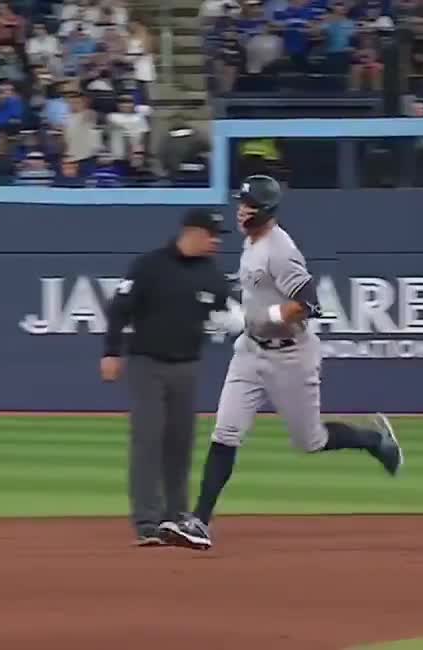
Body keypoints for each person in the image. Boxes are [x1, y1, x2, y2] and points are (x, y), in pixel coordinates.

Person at [158, 175, 404, 551]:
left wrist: (264, 315)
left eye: (249, 206)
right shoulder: (251, 243)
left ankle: (373, 441)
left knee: (310, 440)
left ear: (267, 211)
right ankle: (199, 521)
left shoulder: (280, 249)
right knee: (225, 432)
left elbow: (308, 305)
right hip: (251, 352)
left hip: (291, 355)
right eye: (241, 203)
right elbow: (256, 289)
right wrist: (236, 310)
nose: (241, 211)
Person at [101, 208, 240, 546]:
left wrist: (236, 318)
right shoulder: (150, 266)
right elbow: (119, 309)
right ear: (192, 232)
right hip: (147, 364)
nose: (216, 242)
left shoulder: (211, 275)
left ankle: (176, 518)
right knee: (148, 440)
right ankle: (147, 522)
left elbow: (229, 311)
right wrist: (111, 351)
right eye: (211, 235)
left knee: (180, 444)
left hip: (187, 367)